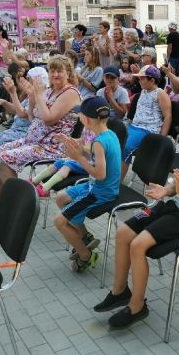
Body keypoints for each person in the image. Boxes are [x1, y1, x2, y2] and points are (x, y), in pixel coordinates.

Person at [93, 116, 179, 328]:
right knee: (123, 233)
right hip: (173, 207)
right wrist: (167, 190)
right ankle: (120, 291)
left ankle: (137, 306)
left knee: (138, 246)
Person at [0, 55, 81, 203]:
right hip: (33, 141)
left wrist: (38, 95)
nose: (55, 74)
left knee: (5, 159)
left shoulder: (70, 92)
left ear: (69, 73)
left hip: (51, 147)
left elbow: (48, 119)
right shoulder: (52, 91)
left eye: (59, 71)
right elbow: (31, 117)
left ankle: (17, 201)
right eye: (52, 71)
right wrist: (32, 97)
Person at [53, 97, 122, 271]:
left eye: (80, 114)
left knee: (60, 222)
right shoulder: (109, 134)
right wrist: (71, 143)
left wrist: (78, 158)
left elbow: (100, 174)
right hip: (95, 186)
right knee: (61, 199)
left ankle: (86, 256)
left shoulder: (100, 142)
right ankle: (85, 237)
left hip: (100, 192)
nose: (78, 116)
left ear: (88, 119)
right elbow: (92, 151)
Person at [121, 65, 172, 178]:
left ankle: (116, 183)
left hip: (148, 129)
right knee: (114, 139)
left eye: (142, 79)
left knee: (126, 147)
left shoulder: (160, 93)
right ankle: (109, 175)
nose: (139, 81)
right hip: (134, 126)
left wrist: (161, 138)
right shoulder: (143, 91)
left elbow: (168, 116)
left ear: (152, 80)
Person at [0, 67, 48, 151]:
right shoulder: (31, 94)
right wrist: (5, 103)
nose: (26, 81)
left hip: (25, 132)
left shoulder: (40, 95)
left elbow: (22, 114)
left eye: (28, 79)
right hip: (16, 129)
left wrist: (12, 93)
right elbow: (17, 110)